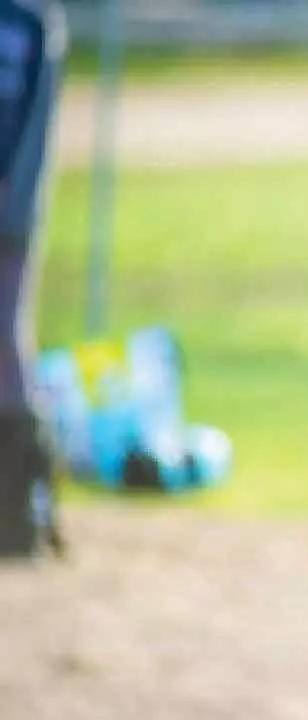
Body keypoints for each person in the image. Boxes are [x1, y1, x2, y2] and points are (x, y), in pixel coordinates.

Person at [0, 0, 64, 559]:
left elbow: (35, 128)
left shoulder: (31, 20)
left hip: (9, 217)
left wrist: (13, 204)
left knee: (6, 345)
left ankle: (20, 509)